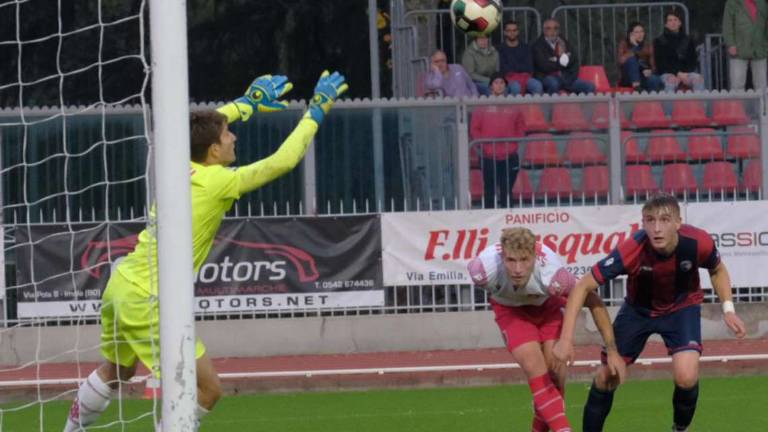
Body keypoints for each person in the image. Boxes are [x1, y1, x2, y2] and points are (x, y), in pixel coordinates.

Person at [62, 71, 348, 431]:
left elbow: (206, 124)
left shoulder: (175, 160)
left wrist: (247, 104)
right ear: (214, 149)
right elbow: (283, 161)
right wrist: (316, 112)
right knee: (208, 389)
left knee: (117, 370)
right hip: (147, 297)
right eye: (228, 135)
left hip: (121, 283)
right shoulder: (219, 182)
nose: (233, 137)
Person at [552, 193, 747, 432]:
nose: (657, 228)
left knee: (686, 376)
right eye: (650, 220)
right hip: (638, 311)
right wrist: (566, 338)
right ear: (642, 223)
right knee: (607, 376)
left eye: (665, 220)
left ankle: (680, 428)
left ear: (678, 222)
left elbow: (717, 270)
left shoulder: (698, 242)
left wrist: (728, 308)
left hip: (681, 308)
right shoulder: (632, 249)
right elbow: (582, 286)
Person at [467, 227, 619, 432]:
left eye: (525, 260)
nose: (518, 269)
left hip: (549, 307)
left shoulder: (554, 274)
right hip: (510, 311)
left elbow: (591, 298)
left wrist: (600, 347)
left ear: (535, 256)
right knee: (533, 365)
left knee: (555, 376)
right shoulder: (482, 270)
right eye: (511, 260)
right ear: (502, 256)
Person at [469, 73, 525, 208]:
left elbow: (521, 127)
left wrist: (512, 145)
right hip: (489, 156)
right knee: (490, 191)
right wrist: (484, 147)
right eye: (496, 83)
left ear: (505, 86)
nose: (499, 86)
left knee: (507, 191)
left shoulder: (514, 107)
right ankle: (490, 221)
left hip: (509, 156)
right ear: (490, 86)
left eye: (502, 83)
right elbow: (475, 129)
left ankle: (508, 222)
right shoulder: (481, 106)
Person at [532, 18, 596, 95]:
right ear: (544, 31)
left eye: (555, 28)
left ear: (559, 30)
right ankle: (550, 107)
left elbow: (573, 60)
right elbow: (545, 66)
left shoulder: (564, 42)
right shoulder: (537, 46)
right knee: (553, 84)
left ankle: (581, 107)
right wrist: (562, 59)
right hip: (547, 77)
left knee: (590, 86)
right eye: (549, 28)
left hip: (566, 77)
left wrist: (556, 60)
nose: (552, 31)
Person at [654, 10, 705, 92]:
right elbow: (661, 64)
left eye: (675, 20)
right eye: (670, 20)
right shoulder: (659, 41)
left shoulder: (688, 40)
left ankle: (699, 105)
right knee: (671, 81)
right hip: (667, 73)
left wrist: (685, 74)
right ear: (666, 24)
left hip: (686, 73)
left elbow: (692, 61)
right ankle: (669, 105)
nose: (673, 22)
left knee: (698, 79)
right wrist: (677, 73)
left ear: (680, 23)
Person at [722, 0, 768, 91]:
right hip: (738, 49)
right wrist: (731, 44)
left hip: (759, 49)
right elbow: (727, 25)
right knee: (737, 85)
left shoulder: (763, 3)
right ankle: (738, 105)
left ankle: (763, 105)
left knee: (762, 86)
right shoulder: (732, 3)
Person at [497, 20, 543, 95]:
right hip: (508, 78)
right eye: (509, 30)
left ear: (518, 32)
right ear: (504, 32)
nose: (512, 33)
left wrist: (513, 66)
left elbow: (529, 67)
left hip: (526, 77)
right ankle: (515, 107)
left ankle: (534, 107)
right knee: (515, 87)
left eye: (514, 30)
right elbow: (503, 69)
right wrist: (519, 66)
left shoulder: (526, 48)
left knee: (537, 85)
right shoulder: (500, 49)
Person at [617, 22, 664, 92]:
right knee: (631, 59)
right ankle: (637, 87)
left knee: (655, 80)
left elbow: (653, 66)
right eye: (636, 32)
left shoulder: (647, 45)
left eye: (641, 31)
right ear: (631, 34)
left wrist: (650, 71)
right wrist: (635, 47)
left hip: (642, 76)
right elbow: (621, 61)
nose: (640, 34)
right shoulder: (624, 44)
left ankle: (653, 100)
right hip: (628, 78)